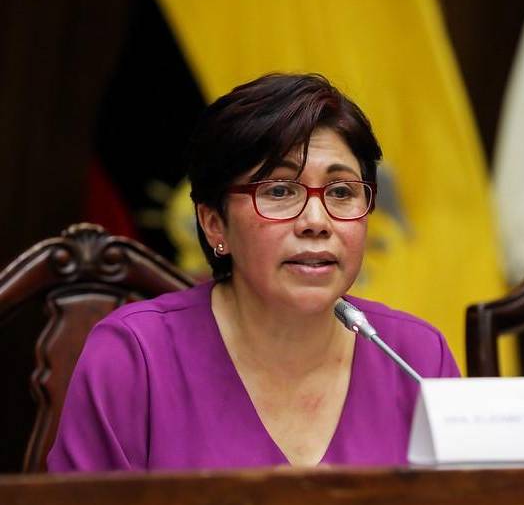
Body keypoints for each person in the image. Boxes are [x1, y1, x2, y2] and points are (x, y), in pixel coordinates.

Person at [48, 73, 460, 472]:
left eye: (341, 192)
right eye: (279, 190)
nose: (316, 221)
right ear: (214, 224)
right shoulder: (134, 357)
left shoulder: (418, 356)